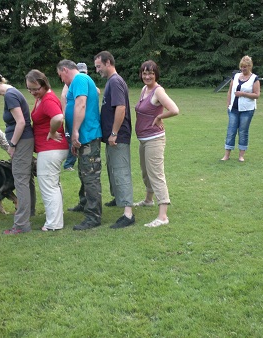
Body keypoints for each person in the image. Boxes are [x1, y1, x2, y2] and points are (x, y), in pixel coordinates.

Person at [0, 73, 36, 234]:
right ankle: (29, 213)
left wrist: (13, 144)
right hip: (24, 140)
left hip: (22, 141)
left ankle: (21, 225)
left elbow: (21, 122)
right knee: (25, 179)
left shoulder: (10, 95)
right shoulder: (12, 93)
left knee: (20, 180)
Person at [56, 60, 103, 231]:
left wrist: (75, 131)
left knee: (90, 176)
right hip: (83, 137)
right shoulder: (77, 82)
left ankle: (93, 217)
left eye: (60, 76)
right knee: (84, 173)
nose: (62, 80)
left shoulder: (80, 80)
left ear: (65, 70)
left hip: (87, 136)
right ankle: (84, 203)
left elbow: (81, 104)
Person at [133, 60, 179, 227]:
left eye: (150, 73)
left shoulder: (158, 92)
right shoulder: (145, 89)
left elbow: (174, 109)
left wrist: (159, 117)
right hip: (143, 139)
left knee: (156, 174)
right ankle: (148, 200)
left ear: (156, 74)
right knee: (146, 173)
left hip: (154, 139)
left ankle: (163, 216)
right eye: (144, 73)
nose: (147, 76)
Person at [94, 51, 135, 229]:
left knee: (121, 171)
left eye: (99, 66)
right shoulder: (111, 82)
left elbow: (121, 108)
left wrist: (114, 133)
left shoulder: (116, 81)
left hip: (118, 136)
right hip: (113, 136)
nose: (97, 70)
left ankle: (128, 214)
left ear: (108, 62)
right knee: (112, 169)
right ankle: (119, 198)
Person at [26, 69, 69, 232]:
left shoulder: (48, 99)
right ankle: (56, 218)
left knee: (48, 186)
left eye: (35, 88)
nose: (32, 92)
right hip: (50, 149)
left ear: (44, 84)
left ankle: (54, 224)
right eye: (29, 89)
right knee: (53, 184)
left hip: (51, 149)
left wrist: (51, 132)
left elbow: (58, 117)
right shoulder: (42, 97)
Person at [221, 55, 260, 162]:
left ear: (250, 67)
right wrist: (228, 104)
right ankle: (226, 155)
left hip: (247, 110)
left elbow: (257, 95)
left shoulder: (254, 79)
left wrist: (243, 94)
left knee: (243, 131)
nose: (243, 69)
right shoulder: (236, 76)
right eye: (242, 67)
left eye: (245, 67)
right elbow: (230, 91)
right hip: (233, 109)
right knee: (231, 131)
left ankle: (241, 156)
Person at [61, 62, 88, 172]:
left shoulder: (82, 80)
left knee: (76, 140)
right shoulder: (71, 82)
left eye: (84, 72)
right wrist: (64, 112)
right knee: (72, 140)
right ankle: (68, 164)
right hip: (72, 118)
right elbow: (64, 96)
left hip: (78, 118)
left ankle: (79, 161)